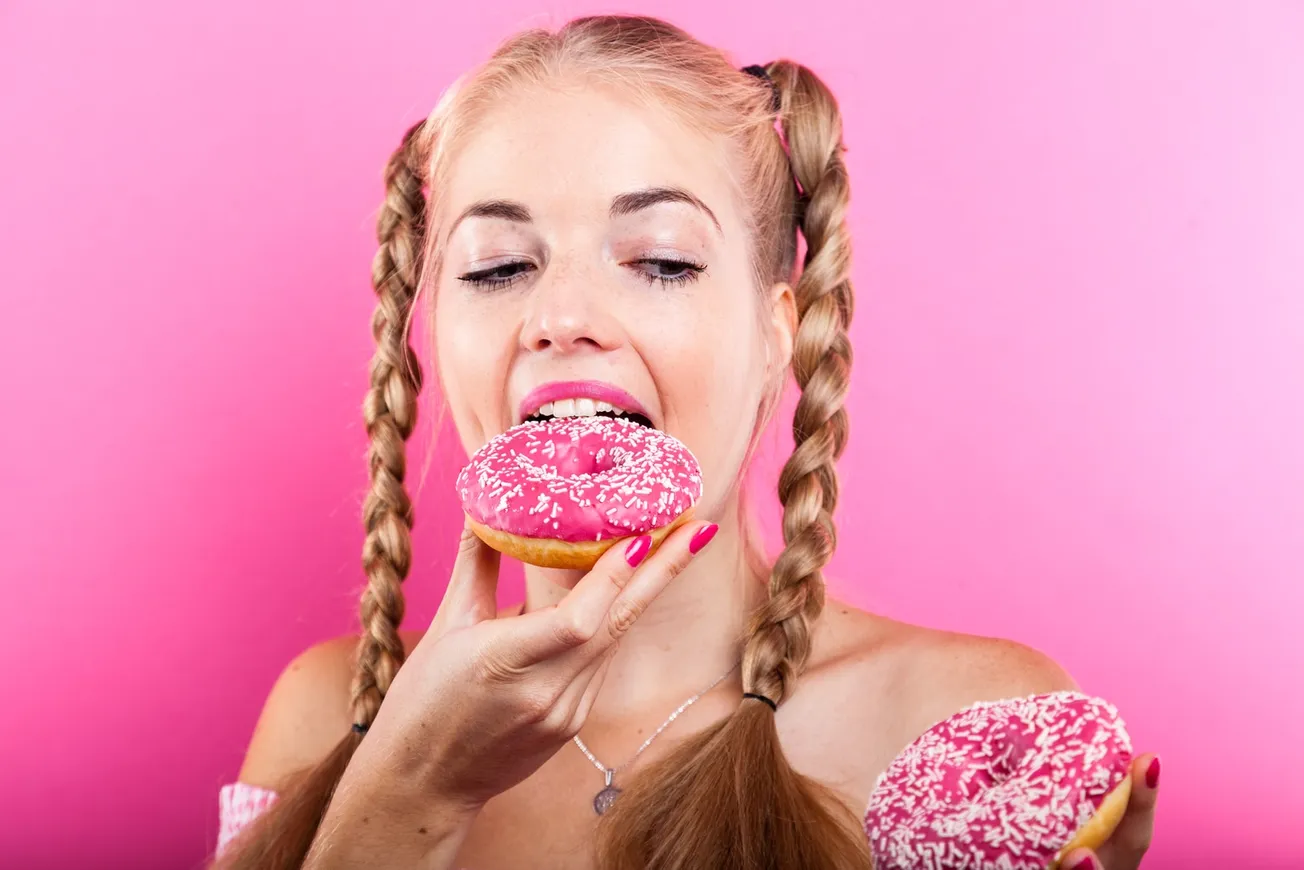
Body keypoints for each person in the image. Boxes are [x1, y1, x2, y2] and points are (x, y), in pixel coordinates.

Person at [211, 14, 1160, 870]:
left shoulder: (958, 730)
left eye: (661, 261)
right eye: (497, 267)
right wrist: (407, 791)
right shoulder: (325, 712)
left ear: (777, 336)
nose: (562, 316)